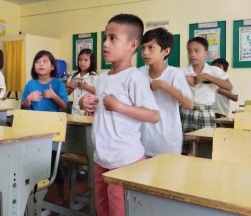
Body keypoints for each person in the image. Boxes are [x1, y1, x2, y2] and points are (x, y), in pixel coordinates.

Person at [80, 13, 160, 216]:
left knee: (120, 211)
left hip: (125, 161)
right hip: (101, 158)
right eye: (105, 38)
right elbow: (101, 109)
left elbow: (153, 115)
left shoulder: (135, 78)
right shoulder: (104, 78)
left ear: (132, 45)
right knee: (102, 209)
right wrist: (87, 103)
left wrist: (119, 107)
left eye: (113, 38)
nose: (105, 44)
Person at [21, 50, 69, 205]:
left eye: (45, 61)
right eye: (37, 61)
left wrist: (53, 96)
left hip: (53, 130)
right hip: (34, 129)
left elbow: (65, 106)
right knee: (33, 161)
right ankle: (34, 192)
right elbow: (24, 107)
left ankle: (61, 194)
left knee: (54, 161)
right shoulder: (30, 84)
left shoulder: (57, 83)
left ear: (53, 67)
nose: (40, 64)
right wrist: (29, 99)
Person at [139, 28, 194, 157]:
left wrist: (164, 86)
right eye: (143, 48)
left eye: (151, 48)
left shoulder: (174, 74)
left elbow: (189, 104)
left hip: (167, 139)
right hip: (143, 138)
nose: (145, 52)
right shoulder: (140, 73)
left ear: (166, 51)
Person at [180, 37, 232, 154]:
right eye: (189, 51)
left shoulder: (214, 70)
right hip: (186, 112)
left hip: (205, 112)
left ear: (206, 53)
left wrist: (208, 77)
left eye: (197, 50)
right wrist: (184, 79)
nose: (193, 54)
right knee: (184, 149)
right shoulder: (182, 71)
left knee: (206, 148)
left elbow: (229, 86)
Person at [66, 48, 99, 115]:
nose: (82, 62)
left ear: (91, 61)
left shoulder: (95, 77)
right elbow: (66, 93)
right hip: (75, 112)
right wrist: (68, 85)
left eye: (86, 60)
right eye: (80, 60)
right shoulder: (73, 76)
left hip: (88, 113)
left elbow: (99, 94)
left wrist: (87, 87)